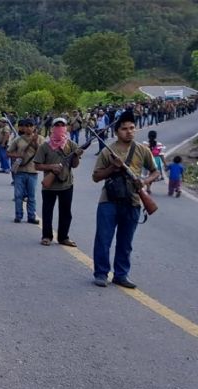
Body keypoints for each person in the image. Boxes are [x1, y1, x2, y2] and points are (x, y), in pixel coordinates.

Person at [91, 111, 158, 288]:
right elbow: (96, 177)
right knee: (103, 240)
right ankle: (101, 273)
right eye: (124, 129)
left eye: (131, 128)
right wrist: (112, 167)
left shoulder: (142, 150)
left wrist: (143, 182)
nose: (129, 132)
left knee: (125, 242)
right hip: (109, 201)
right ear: (117, 132)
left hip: (133, 201)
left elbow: (155, 171)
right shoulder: (108, 151)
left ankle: (121, 274)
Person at [33, 117, 85, 247]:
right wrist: (51, 167)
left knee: (66, 212)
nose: (60, 128)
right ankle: (46, 236)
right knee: (47, 212)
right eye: (57, 125)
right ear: (52, 128)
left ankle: (63, 237)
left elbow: (75, 165)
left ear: (66, 128)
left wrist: (76, 155)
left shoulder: (71, 145)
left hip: (66, 184)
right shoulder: (45, 146)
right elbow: (37, 166)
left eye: (62, 125)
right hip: (49, 186)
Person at [7, 119, 43, 224]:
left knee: (31, 196)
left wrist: (35, 142)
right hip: (20, 171)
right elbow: (8, 153)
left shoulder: (40, 139)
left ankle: (31, 216)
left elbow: (41, 153)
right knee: (18, 195)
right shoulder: (18, 140)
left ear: (34, 127)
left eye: (30, 126)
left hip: (33, 171)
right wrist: (18, 155)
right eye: (26, 126)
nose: (28, 128)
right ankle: (18, 215)